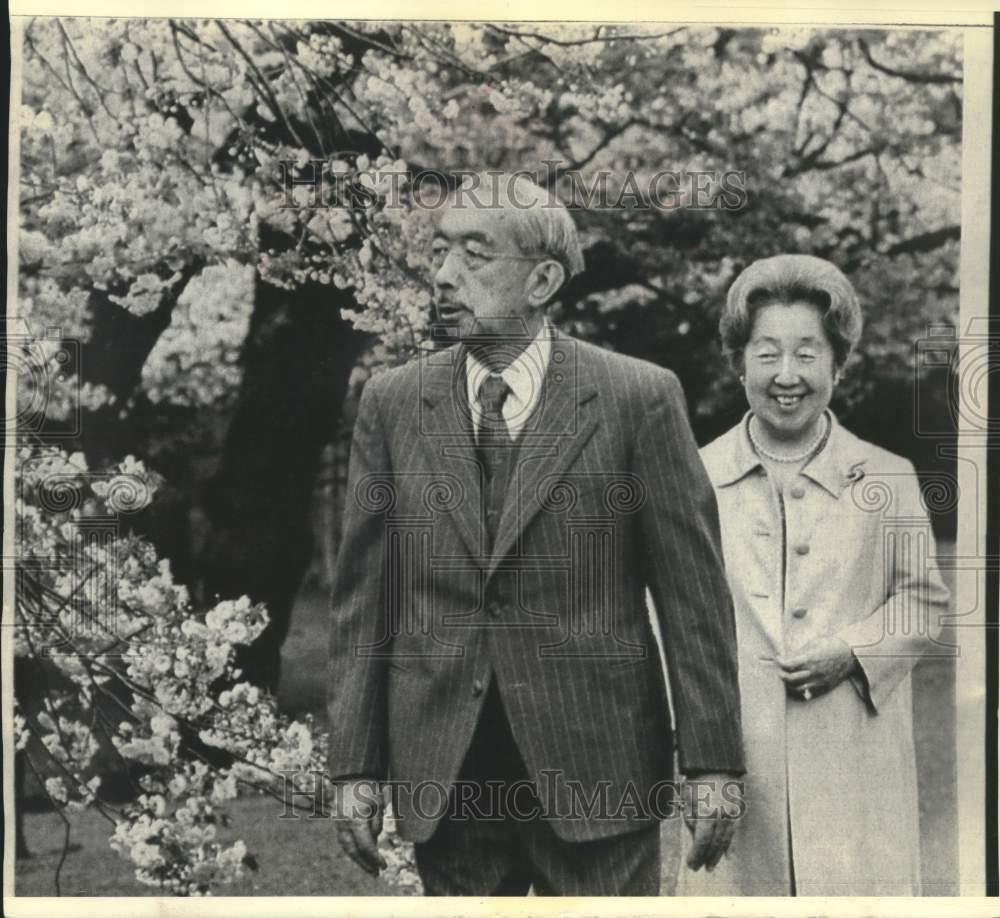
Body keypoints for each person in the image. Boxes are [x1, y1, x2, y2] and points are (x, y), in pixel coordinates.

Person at [326, 173, 745, 896]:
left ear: (544, 278)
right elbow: (366, 599)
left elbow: (692, 596)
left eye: (476, 255)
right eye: (442, 252)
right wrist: (356, 765)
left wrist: (713, 762)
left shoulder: (637, 398)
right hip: (447, 776)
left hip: (597, 766)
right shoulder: (393, 404)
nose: (445, 275)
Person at [679, 253, 950, 896]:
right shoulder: (695, 477)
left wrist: (854, 651)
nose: (787, 376)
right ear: (738, 361)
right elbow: (673, 625)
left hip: (857, 765)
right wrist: (695, 760)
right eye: (767, 353)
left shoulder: (886, 476)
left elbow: (924, 603)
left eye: (808, 353)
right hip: (737, 772)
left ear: (839, 362)